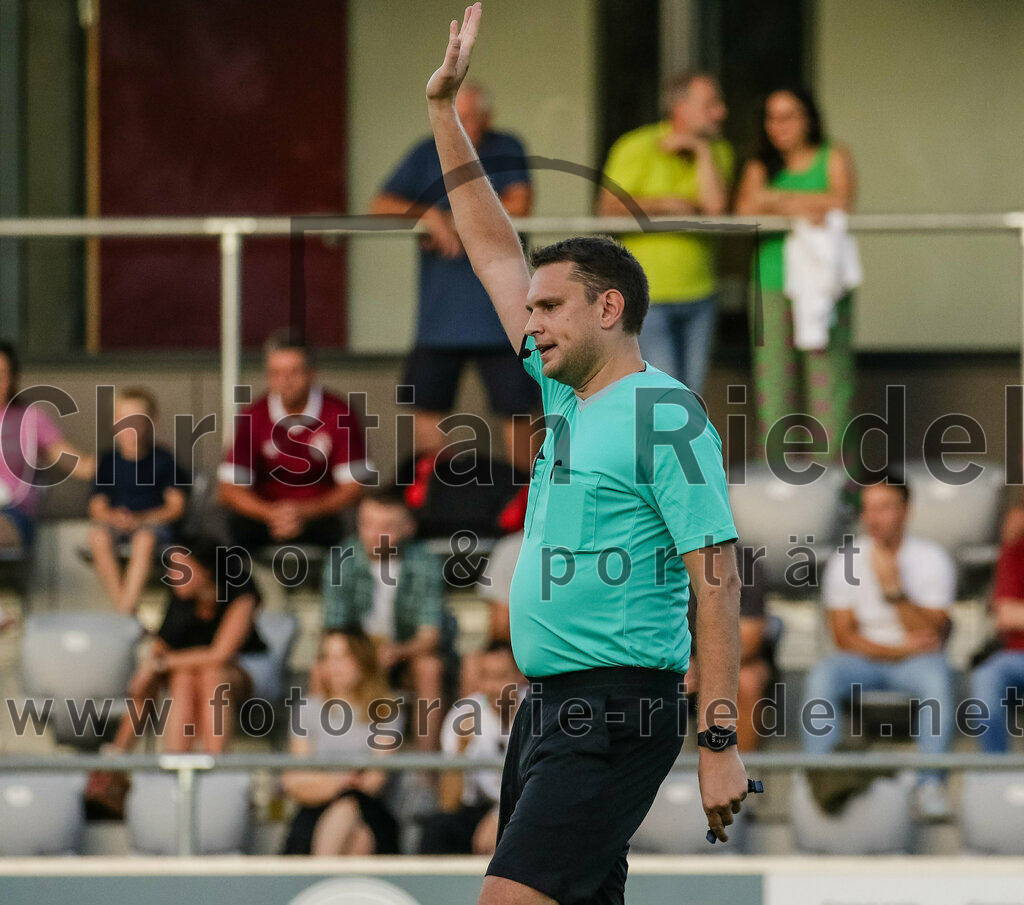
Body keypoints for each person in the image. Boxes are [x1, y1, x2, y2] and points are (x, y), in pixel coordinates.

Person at [426, 8, 749, 904]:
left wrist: (720, 744)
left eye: (548, 309)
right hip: (546, 709)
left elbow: (716, 576)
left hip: (615, 709)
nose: (528, 324)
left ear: (608, 310)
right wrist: (445, 111)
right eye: (530, 311)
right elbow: (491, 247)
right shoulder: (568, 393)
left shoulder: (666, 412)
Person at [369, 82, 539, 476]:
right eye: (451, 118)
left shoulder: (506, 146)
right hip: (439, 318)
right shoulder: (427, 151)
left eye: (466, 119)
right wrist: (429, 216)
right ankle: (433, 500)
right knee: (427, 406)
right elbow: (380, 205)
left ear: (488, 119)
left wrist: (460, 222)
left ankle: (533, 504)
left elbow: (521, 202)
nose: (457, 127)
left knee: (519, 410)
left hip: (503, 315)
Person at [803, 477, 955, 818]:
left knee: (937, 680)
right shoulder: (846, 560)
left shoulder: (932, 559)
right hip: (864, 661)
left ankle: (929, 783)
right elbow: (842, 638)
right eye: (868, 508)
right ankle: (822, 777)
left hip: (917, 665)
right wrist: (900, 649)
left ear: (905, 511)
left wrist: (894, 590)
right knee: (822, 676)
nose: (873, 517)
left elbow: (933, 634)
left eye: (884, 507)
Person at [85, 540, 267, 818]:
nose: (172, 575)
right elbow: (160, 651)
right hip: (193, 680)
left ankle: (215, 773)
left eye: (181, 568)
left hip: (241, 676)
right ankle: (174, 770)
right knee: (181, 677)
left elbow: (221, 654)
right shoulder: (180, 599)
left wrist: (161, 663)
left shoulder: (240, 589)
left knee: (209, 674)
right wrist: (149, 668)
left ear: (206, 570)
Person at [734, 87, 857, 463]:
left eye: (788, 116)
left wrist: (775, 201)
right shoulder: (759, 164)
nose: (779, 126)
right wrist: (805, 205)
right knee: (773, 387)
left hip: (823, 283)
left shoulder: (833, 155)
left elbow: (842, 202)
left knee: (829, 385)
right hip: (771, 279)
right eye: (772, 117)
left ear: (809, 118)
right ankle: (777, 484)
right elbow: (743, 213)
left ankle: (833, 483)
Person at [597, 72, 732, 396]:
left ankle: (677, 449)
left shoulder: (718, 151)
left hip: (701, 294)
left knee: (692, 394)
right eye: (711, 104)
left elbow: (715, 211)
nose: (721, 111)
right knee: (664, 396)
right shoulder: (636, 145)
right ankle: (656, 450)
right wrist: (668, 204)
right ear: (681, 108)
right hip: (646, 295)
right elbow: (608, 208)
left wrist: (700, 151)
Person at [218, 331, 369, 550]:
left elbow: (354, 487)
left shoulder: (339, 413)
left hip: (321, 516)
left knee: (359, 519)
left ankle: (342, 583)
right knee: (217, 523)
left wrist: (304, 512)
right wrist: (270, 514)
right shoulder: (253, 416)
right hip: (265, 517)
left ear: (312, 373)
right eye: (276, 373)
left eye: (293, 372)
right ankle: (244, 585)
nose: (285, 381)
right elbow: (229, 488)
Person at [321, 484, 446, 751]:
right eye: (368, 524)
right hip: (357, 653)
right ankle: (319, 756)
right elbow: (334, 629)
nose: (376, 534)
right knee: (321, 666)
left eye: (387, 526)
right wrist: (361, 654)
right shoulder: (342, 558)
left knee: (430, 668)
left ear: (408, 528)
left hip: (404, 657)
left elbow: (429, 636)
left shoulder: (424, 562)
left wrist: (395, 652)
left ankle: (428, 767)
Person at [281, 628, 400, 855]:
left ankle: (322, 882)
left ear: (362, 661)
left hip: (369, 809)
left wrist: (320, 781)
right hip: (316, 808)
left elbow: (374, 782)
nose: (332, 667)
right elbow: (295, 782)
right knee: (357, 836)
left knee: (352, 817)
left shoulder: (386, 709)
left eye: (341, 658)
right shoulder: (307, 709)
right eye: (326, 658)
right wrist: (342, 781)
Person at [88, 387, 188, 614]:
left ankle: (123, 613)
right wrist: (116, 518)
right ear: (115, 422)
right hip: (117, 525)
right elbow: (97, 507)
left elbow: (176, 507)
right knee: (97, 536)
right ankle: (126, 610)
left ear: (153, 422)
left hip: (152, 528)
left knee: (144, 539)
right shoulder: (107, 461)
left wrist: (142, 518)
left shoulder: (164, 460)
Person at [420, 641, 521, 855]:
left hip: (524, 810)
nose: (493, 687)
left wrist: (498, 815)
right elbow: (449, 803)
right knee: (438, 829)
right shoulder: (463, 716)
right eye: (486, 677)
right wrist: (460, 752)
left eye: (501, 677)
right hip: (477, 810)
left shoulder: (538, 714)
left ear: (520, 677)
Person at [0, 341, 94, 552]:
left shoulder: (30, 419)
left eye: (2, 374)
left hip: (13, 514)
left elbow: (77, 464)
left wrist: (127, 464)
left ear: (14, 378)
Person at [685, 546, 773, 751]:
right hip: (673, 661)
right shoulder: (653, 560)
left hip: (726, 663)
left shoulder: (743, 561)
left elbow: (750, 640)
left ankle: (740, 773)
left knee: (747, 681)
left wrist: (702, 668)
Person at [970, 536, 1024, 753]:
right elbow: (1006, 616)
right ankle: (995, 773)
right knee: (987, 676)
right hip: (1016, 658)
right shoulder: (1016, 550)